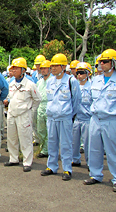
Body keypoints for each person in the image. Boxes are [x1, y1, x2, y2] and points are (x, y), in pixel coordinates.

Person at [83, 49, 116, 192]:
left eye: (105, 61)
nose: (102, 63)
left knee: (113, 151)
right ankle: (95, 175)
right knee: (94, 149)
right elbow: (90, 99)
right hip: (95, 119)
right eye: (101, 61)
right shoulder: (96, 79)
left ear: (113, 63)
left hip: (112, 120)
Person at [40, 53, 81, 181]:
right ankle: (51, 166)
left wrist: (69, 113)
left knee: (66, 143)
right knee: (52, 142)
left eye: (56, 65)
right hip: (52, 117)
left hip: (65, 117)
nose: (53, 68)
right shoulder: (50, 81)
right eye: (52, 65)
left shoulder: (71, 81)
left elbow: (76, 100)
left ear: (63, 66)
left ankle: (67, 169)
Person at [3, 58, 41, 172]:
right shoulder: (11, 83)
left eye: (16, 68)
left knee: (25, 139)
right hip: (11, 114)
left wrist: (30, 110)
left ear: (23, 70)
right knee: (11, 138)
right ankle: (13, 158)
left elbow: (37, 99)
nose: (13, 70)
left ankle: (27, 161)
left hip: (24, 115)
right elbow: (10, 97)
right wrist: (7, 102)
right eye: (12, 68)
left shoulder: (30, 84)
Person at [72, 62, 92, 167]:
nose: (79, 75)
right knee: (74, 141)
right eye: (77, 73)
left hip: (87, 118)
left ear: (88, 73)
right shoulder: (74, 86)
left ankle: (90, 163)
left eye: (82, 73)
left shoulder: (92, 87)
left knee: (88, 143)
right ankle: (75, 159)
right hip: (76, 118)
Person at [36, 60, 52, 158]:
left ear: (50, 69)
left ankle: (48, 149)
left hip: (50, 107)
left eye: (45, 68)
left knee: (50, 131)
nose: (43, 70)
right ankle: (43, 148)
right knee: (41, 130)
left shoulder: (53, 81)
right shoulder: (39, 82)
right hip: (40, 107)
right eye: (42, 68)